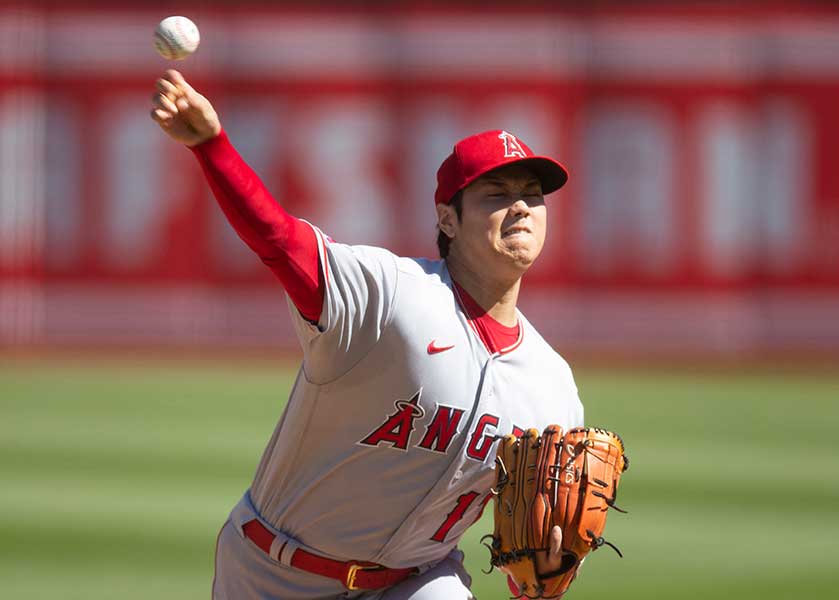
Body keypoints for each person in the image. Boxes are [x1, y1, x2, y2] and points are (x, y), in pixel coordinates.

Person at [150, 69, 584, 600]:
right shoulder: (391, 294)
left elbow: (528, 554)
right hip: (275, 572)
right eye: (496, 193)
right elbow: (280, 241)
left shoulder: (552, 387)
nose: (520, 206)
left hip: (417, 581)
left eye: (532, 194)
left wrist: (539, 575)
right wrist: (211, 146)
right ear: (448, 220)